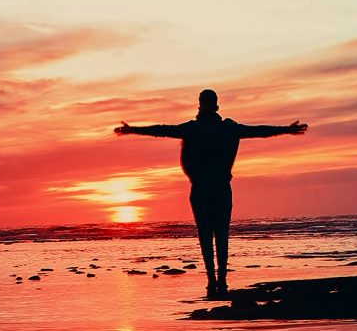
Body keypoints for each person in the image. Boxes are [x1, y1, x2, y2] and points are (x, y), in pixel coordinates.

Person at [114, 89, 308, 298]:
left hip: (212, 188)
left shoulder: (217, 128)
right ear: (214, 106)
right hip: (207, 188)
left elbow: (257, 131)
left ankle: (218, 279)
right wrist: (133, 129)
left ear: (204, 106)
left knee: (215, 235)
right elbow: (163, 129)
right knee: (211, 235)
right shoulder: (204, 129)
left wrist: (285, 130)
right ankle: (214, 279)